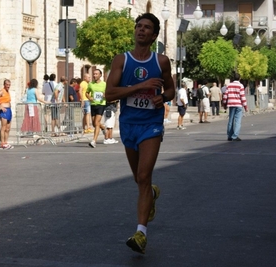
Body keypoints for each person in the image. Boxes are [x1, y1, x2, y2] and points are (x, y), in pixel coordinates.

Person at [105, 13, 175, 254]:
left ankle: (141, 234)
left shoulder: (162, 61)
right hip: (128, 124)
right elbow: (109, 94)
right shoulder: (121, 61)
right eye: (139, 26)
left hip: (151, 124)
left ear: (154, 35)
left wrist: (163, 97)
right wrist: (140, 87)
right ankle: (151, 194)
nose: (141, 30)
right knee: (139, 179)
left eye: (147, 28)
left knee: (144, 176)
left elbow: (171, 89)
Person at [222, 72, 248, 141]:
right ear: (239, 78)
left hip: (231, 104)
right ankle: (235, 136)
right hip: (238, 105)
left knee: (230, 120)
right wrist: (245, 106)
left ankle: (229, 135)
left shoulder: (229, 85)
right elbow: (242, 96)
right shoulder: (241, 86)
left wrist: (224, 104)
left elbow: (225, 95)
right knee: (237, 121)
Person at [86, 69, 106, 148]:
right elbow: (87, 93)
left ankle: (94, 141)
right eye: (94, 74)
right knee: (94, 124)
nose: (94, 75)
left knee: (97, 122)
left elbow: (109, 92)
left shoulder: (104, 84)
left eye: (96, 74)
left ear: (100, 75)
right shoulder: (91, 84)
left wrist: (106, 95)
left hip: (101, 104)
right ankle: (103, 128)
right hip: (93, 104)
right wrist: (89, 97)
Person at [0, 79, 13, 149]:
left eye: (9, 85)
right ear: (4, 85)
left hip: (9, 110)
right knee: (3, 127)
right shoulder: (2, 91)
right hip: (4, 110)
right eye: (7, 85)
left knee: (8, 128)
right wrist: (0, 106)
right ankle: (2, 143)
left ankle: (6, 142)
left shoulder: (8, 92)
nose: (8, 86)